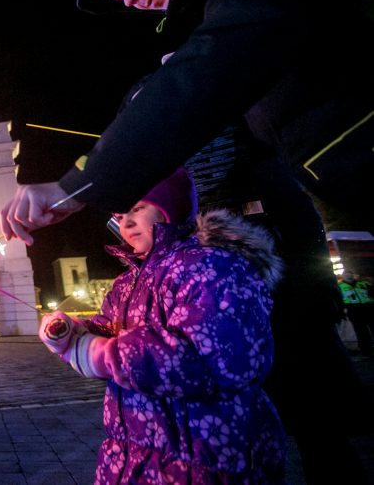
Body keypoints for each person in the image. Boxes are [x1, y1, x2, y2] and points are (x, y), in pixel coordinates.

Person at [0, 0, 373, 483]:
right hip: (335, 196)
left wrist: (77, 186)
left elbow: (212, 77)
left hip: (325, 210)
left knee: (315, 412)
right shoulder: (194, 42)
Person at [40, 168, 286, 483]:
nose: (125, 222)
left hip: (205, 455)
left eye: (136, 209)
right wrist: (68, 333)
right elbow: (105, 331)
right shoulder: (127, 283)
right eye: (119, 214)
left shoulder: (212, 267)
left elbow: (203, 361)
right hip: (134, 452)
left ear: (169, 206)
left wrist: (102, 354)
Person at [339, 271, 374, 356]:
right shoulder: (340, 287)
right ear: (343, 276)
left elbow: (371, 294)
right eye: (345, 274)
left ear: (353, 275)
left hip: (368, 309)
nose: (348, 275)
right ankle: (366, 351)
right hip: (354, 311)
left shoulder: (362, 284)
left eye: (349, 273)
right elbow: (339, 300)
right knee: (361, 332)